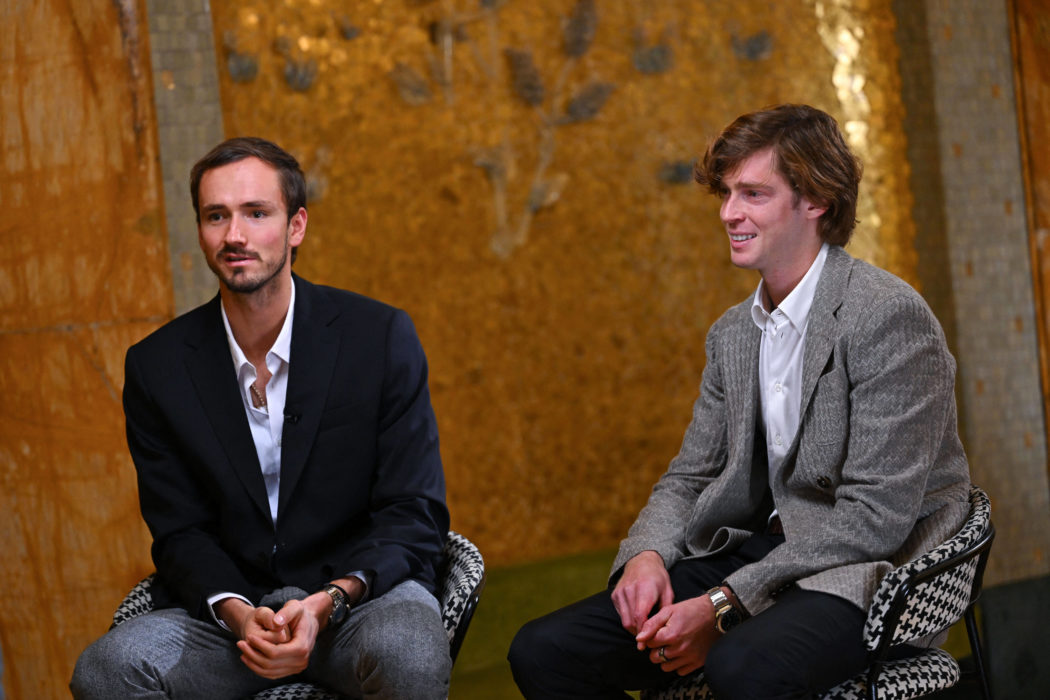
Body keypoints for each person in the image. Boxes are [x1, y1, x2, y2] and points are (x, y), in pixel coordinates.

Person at [508, 104, 972, 698]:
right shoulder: (732, 332)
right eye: (727, 194)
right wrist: (645, 555)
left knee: (741, 667)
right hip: (767, 547)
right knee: (545, 651)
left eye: (753, 194)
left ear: (816, 201)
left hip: (874, 569)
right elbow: (691, 475)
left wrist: (724, 605)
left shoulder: (888, 317)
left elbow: (874, 520)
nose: (730, 213)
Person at [71, 137, 451, 699]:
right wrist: (238, 613)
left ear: (296, 226)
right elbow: (180, 531)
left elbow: (414, 509)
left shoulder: (379, 338)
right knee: (106, 671)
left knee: (410, 650)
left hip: (358, 604)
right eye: (216, 216)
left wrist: (331, 600)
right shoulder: (157, 367)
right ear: (199, 229)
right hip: (230, 626)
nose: (235, 236)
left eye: (256, 213)